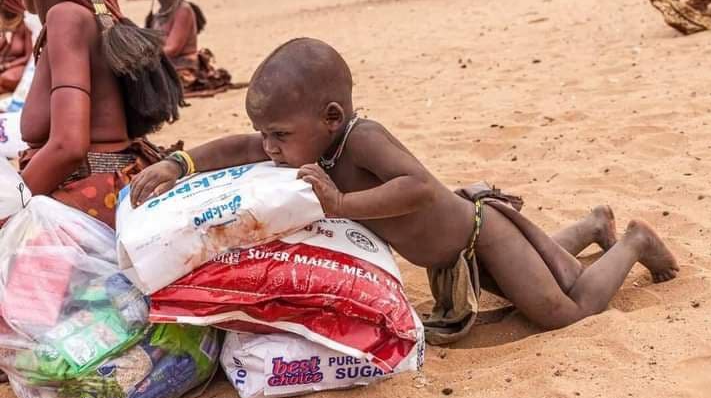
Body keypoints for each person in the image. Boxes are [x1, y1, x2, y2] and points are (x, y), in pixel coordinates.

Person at [129, 38, 679, 342]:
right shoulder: (311, 144)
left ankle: (631, 241)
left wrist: (342, 204)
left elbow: (417, 186)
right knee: (536, 287)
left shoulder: (361, 139)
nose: (269, 147)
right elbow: (236, 147)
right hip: (455, 254)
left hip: (481, 234)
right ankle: (591, 227)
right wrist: (181, 162)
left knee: (563, 310)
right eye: (266, 133)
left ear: (331, 116)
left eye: (279, 134)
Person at [2, 0, 183, 229]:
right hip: (100, 190)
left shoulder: (66, 18)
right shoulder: (89, 19)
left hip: (84, 199)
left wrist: (11, 207)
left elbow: (68, 146)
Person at [143, 0, 234, 98]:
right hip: (164, 67)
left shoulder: (183, 10)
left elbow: (172, 49)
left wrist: (142, 60)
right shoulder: (156, 15)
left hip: (182, 71)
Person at [0, 0, 32, 95]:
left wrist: (7, 66)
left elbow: (28, 56)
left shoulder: (25, 26)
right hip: (3, 67)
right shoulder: (2, 27)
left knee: (4, 78)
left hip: (16, 67)